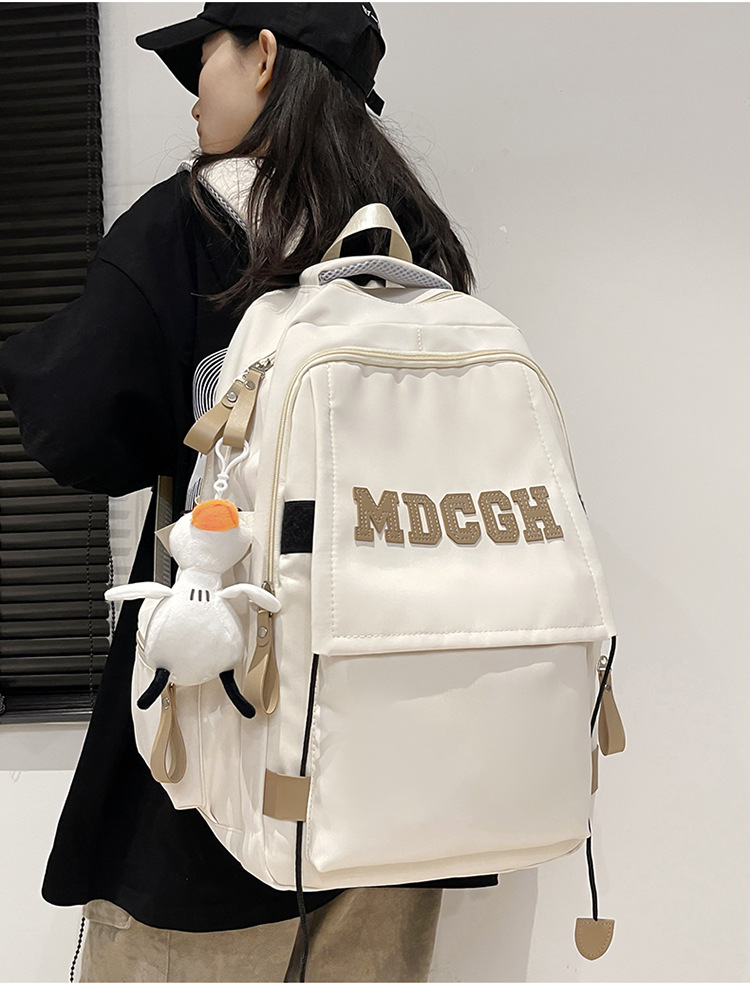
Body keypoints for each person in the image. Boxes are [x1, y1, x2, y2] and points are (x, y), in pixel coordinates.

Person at [0, 3, 497, 983]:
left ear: (264, 56)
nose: (194, 94)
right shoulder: (419, 246)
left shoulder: (184, 224)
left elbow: (79, 431)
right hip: (401, 754)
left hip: (219, 734)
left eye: (204, 60)